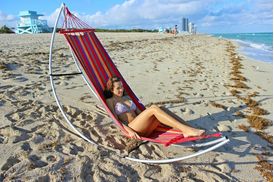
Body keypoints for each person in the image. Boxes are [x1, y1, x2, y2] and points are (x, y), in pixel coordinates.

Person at [104, 76, 205, 139]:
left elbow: (139, 112)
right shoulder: (111, 101)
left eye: (122, 87)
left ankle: (188, 128)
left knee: (160, 108)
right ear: (111, 89)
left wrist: (153, 116)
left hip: (143, 126)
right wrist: (129, 131)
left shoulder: (127, 97)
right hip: (133, 128)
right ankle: (186, 130)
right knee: (153, 108)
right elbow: (116, 120)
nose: (121, 89)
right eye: (118, 88)